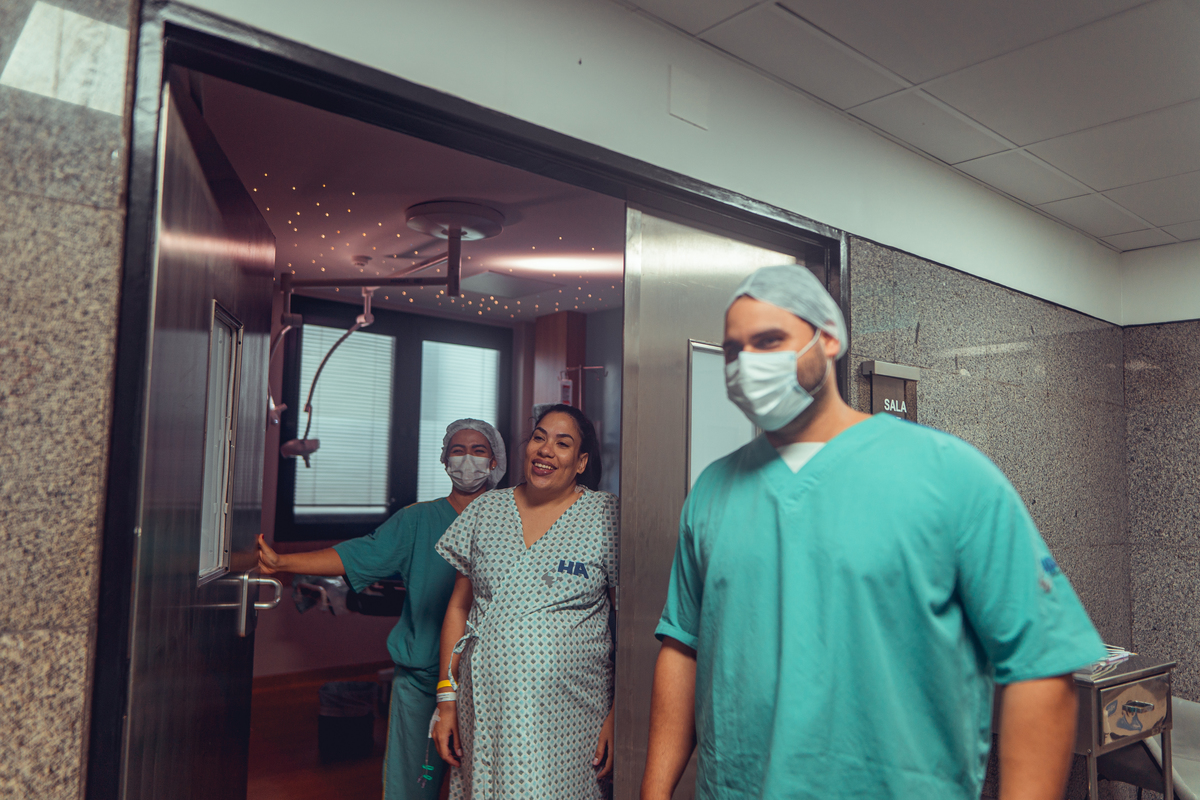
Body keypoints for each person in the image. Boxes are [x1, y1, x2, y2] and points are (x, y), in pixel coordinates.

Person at [640, 265, 1107, 800]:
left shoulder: (948, 475)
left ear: (829, 337)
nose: (748, 365)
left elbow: (1041, 662)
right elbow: (683, 646)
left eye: (769, 341)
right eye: (733, 351)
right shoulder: (713, 491)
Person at [256, 418, 507, 800]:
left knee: (487, 787)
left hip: (493, 682)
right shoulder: (416, 520)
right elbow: (359, 553)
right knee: (412, 786)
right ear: (444, 460)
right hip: (424, 679)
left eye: (478, 450)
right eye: (458, 450)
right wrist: (283, 564)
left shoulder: (512, 523)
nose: (467, 459)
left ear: (494, 462)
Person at [432, 404, 619, 800]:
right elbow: (458, 608)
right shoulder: (486, 510)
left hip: (571, 714)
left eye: (562, 443)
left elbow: (633, 621)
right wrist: (446, 698)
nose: (546, 450)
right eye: (539, 437)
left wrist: (621, 714)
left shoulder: (606, 515)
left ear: (582, 461)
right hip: (485, 707)